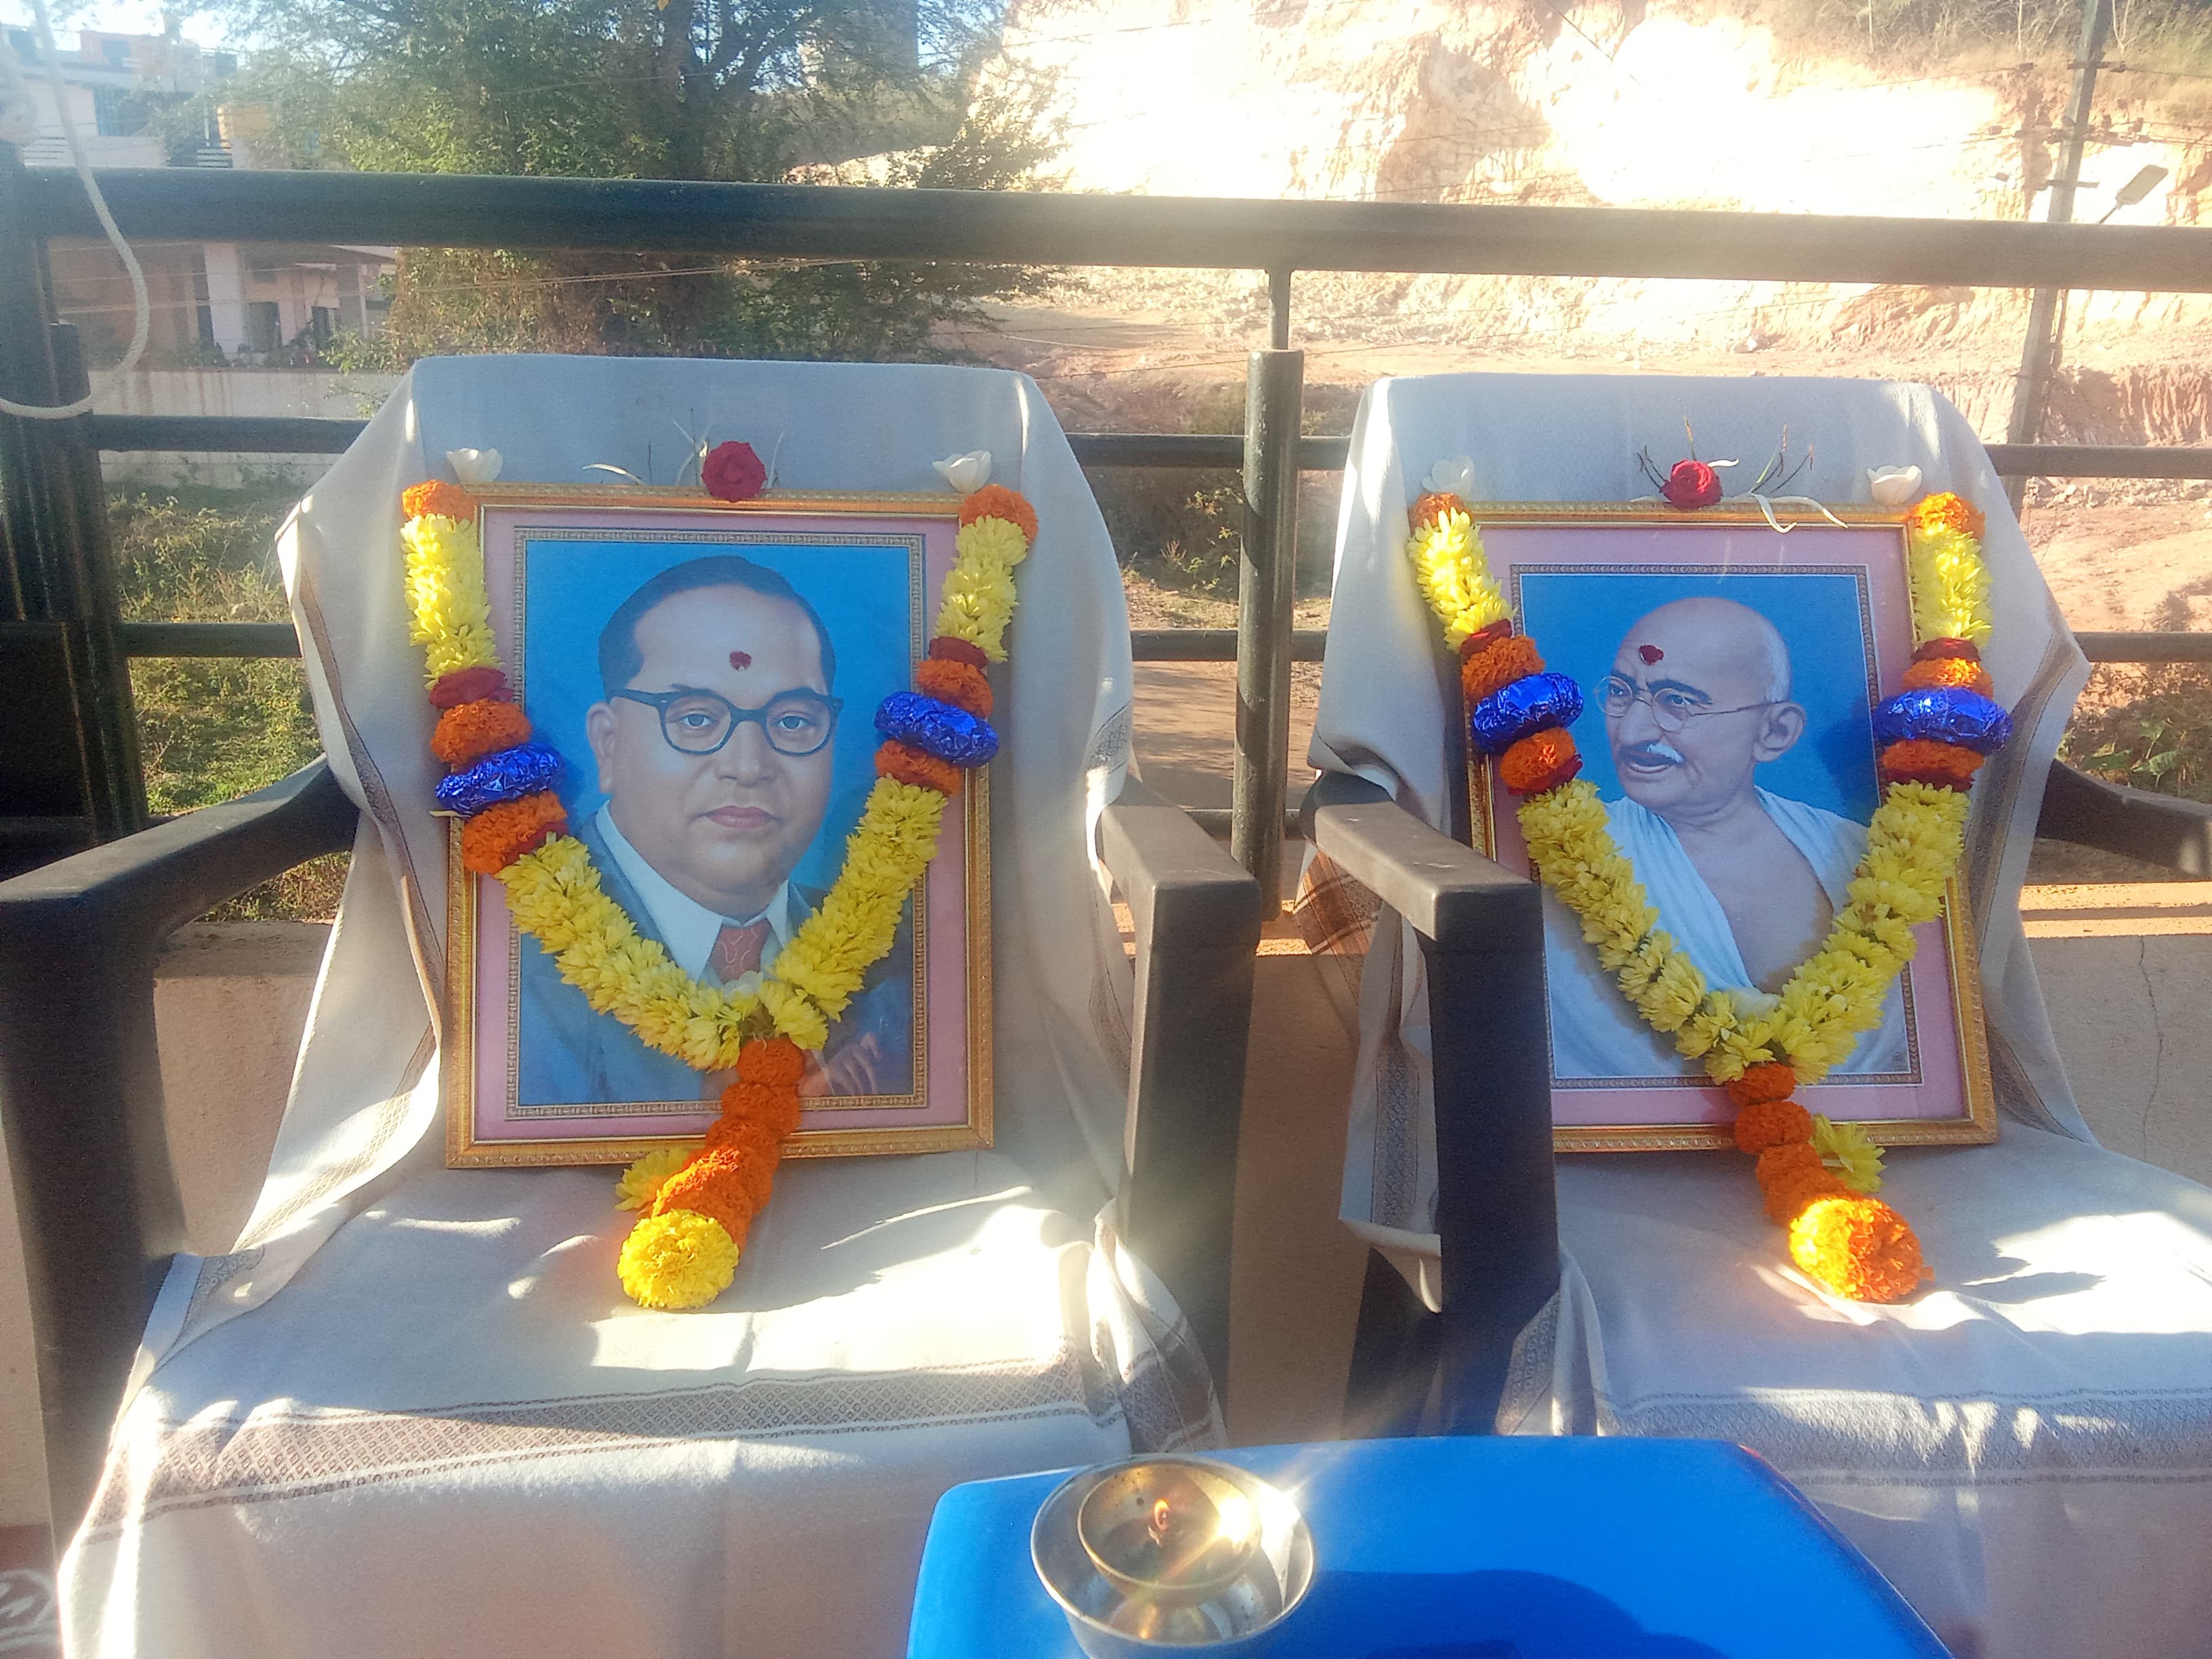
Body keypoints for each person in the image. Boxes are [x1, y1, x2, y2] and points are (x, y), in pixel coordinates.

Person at [517, 554, 914, 1107]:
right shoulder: (506, 954)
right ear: (608, 745)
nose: (748, 766)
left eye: (793, 721)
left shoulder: (901, 962)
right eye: (696, 718)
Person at [1544, 594, 1908, 1080]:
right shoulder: (1568, 856)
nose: (1631, 732)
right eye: (1620, 692)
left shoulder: (1866, 859)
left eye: (1678, 702)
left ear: (1775, 732)